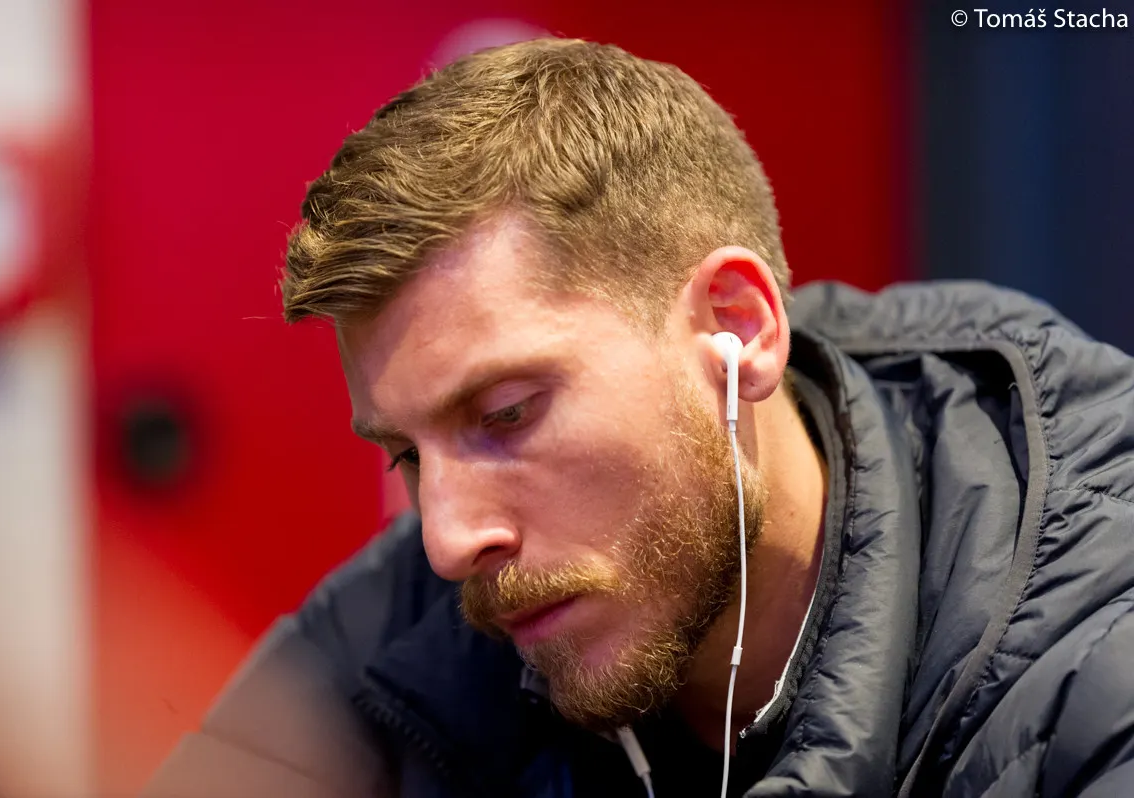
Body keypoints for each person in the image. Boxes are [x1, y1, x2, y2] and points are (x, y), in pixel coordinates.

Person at [143, 38, 1134, 798]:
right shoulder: (419, 633)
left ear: (736, 332)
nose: (447, 540)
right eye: (407, 452)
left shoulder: (1089, 661)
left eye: (506, 414)